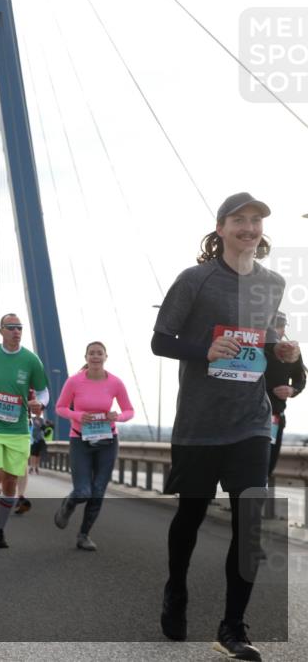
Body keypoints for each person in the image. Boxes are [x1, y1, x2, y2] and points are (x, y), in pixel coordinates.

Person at [152, 192, 296, 661]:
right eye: (240, 219)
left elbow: (268, 348)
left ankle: (233, 628)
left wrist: (288, 361)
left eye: (256, 220)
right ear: (220, 228)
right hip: (199, 422)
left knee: (251, 523)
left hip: (251, 422)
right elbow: (160, 340)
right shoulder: (195, 279)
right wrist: (203, 351)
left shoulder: (272, 283)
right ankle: (176, 587)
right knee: (189, 517)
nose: (249, 227)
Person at [0, 314, 49, 549]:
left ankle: (0, 531)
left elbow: (44, 391)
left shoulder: (31, 360)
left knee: (11, 482)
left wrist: (41, 404)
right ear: (1, 330)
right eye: (11, 327)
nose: (16, 331)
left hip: (18, 430)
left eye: (20, 328)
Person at [53, 341, 135, 550]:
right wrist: (78, 415)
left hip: (107, 441)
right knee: (83, 491)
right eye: (92, 353)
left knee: (98, 491)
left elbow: (129, 410)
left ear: (106, 357)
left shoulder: (115, 383)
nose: (95, 356)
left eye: (99, 353)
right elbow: (60, 408)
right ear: (86, 357)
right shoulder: (74, 382)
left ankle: (84, 535)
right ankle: (69, 504)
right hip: (80, 439)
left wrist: (118, 416)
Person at [264, 311, 305, 477]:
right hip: (248, 414)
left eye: (281, 326)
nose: (278, 330)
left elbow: (300, 379)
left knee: (267, 467)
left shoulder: (291, 350)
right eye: (274, 326)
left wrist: (292, 390)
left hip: (275, 417)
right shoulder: (257, 348)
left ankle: (254, 502)